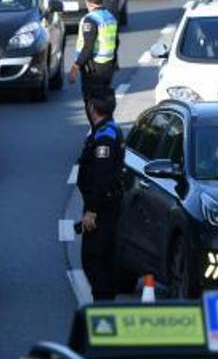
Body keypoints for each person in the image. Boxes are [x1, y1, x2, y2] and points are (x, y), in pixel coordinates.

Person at [76, 95, 125, 300]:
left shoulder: (104, 136)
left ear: (92, 108)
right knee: (103, 256)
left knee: (94, 257)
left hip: (102, 207)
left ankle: (104, 306)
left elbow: (101, 177)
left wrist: (91, 211)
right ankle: (106, 299)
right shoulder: (110, 129)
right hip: (106, 203)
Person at [69, 0, 119, 103]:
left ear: (87, 1)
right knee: (104, 100)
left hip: (93, 67)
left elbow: (88, 47)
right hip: (108, 65)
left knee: (93, 102)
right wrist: (115, 62)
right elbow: (116, 41)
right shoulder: (110, 17)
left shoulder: (91, 19)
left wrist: (76, 66)